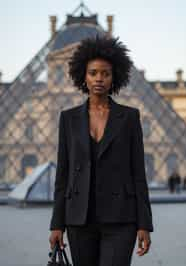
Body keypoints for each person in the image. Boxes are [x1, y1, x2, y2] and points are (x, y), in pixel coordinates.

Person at [49, 35, 154, 266]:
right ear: (83, 77)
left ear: (114, 77)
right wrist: (57, 224)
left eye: (105, 73)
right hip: (79, 219)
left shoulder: (129, 117)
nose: (99, 79)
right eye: (93, 73)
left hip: (121, 218)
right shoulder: (68, 119)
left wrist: (144, 223)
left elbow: (138, 173)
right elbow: (63, 176)